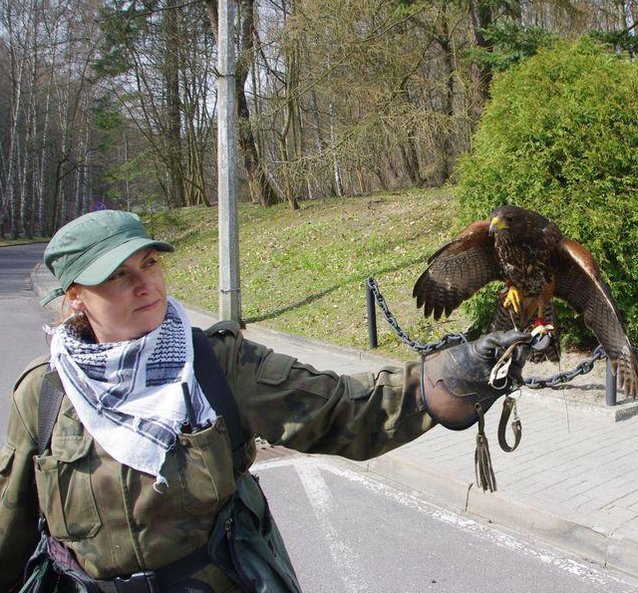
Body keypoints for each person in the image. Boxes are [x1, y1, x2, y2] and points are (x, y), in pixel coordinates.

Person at [0, 210, 530, 593]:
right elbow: (13, 525)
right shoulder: (45, 395)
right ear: (74, 295)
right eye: (119, 276)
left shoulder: (214, 366)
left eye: (150, 264)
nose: (147, 286)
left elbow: (348, 408)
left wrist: (468, 366)